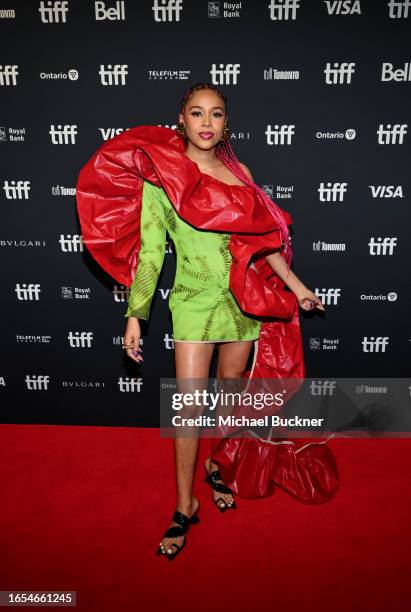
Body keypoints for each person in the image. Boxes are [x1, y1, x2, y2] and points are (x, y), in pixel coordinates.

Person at [76, 82, 328, 562]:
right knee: (188, 407)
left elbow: (264, 242)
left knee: (232, 386)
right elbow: (151, 254)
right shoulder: (161, 179)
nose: (207, 122)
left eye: (216, 114)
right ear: (182, 121)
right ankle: (183, 503)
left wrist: (296, 287)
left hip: (242, 301)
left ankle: (220, 461)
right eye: (197, 113)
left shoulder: (240, 173)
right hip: (192, 301)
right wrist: (135, 314)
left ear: (226, 123)